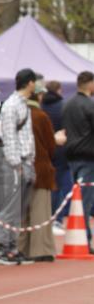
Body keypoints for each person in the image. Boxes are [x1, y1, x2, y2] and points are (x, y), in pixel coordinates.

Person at [0, 68, 37, 265]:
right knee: (11, 207)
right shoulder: (12, 105)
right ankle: (5, 248)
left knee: (18, 208)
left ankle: (12, 246)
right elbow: (9, 136)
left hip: (26, 161)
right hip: (17, 162)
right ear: (30, 83)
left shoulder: (21, 104)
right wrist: (15, 163)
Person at [18, 85, 57, 262]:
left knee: (21, 212)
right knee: (40, 209)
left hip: (18, 166)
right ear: (39, 96)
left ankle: (21, 248)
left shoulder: (16, 114)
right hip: (40, 167)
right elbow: (50, 145)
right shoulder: (40, 116)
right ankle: (40, 249)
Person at [62, 70, 94, 253]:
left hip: (72, 154)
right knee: (86, 201)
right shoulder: (89, 105)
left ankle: (80, 236)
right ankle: (85, 239)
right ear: (90, 84)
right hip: (88, 156)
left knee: (77, 198)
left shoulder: (67, 104)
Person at [41, 80, 72, 228]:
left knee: (48, 185)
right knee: (62, 184)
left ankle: (47, 216)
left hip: (44, 149)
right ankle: (58, 217)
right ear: (59, 90)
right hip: (61, 149)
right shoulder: (64, 106)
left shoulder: (41, 106)